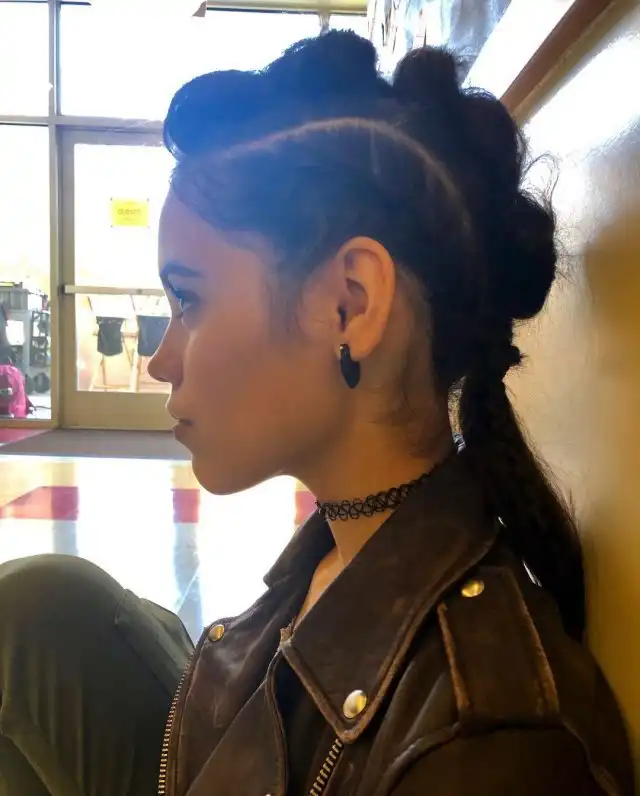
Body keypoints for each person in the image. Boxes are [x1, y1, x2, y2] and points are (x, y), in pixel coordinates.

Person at [0, 32, 634, 796]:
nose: (162, 360)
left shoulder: (482, 750)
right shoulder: (338, 550)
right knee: (40, 605)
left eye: (190, 300)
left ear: (350, 304)